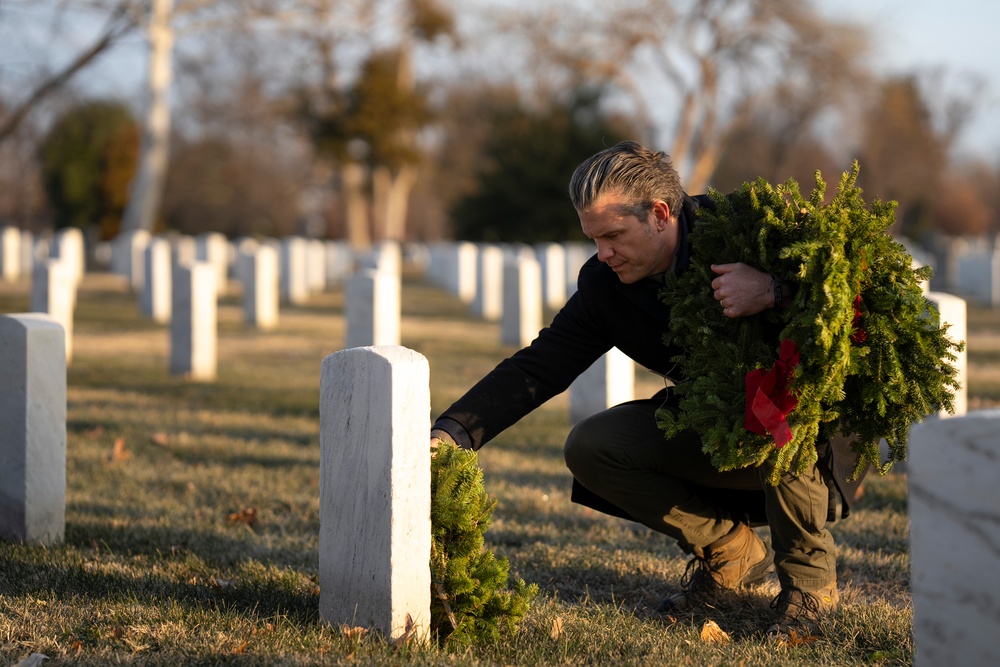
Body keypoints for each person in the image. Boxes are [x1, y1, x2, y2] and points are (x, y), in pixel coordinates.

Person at [429, 140, 863, 639]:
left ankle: (809, 589)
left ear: (660, 213)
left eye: (613, 235)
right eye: (594, 239)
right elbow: (540, 366)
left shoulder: (748, 225)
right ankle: (731, 552)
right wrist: (453, 433)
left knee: (773, 406)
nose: (603, 253)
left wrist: (774, 290)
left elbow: (852, 286)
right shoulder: (605, 285)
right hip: (720, 426)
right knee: (594, 447)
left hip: (821, 437)